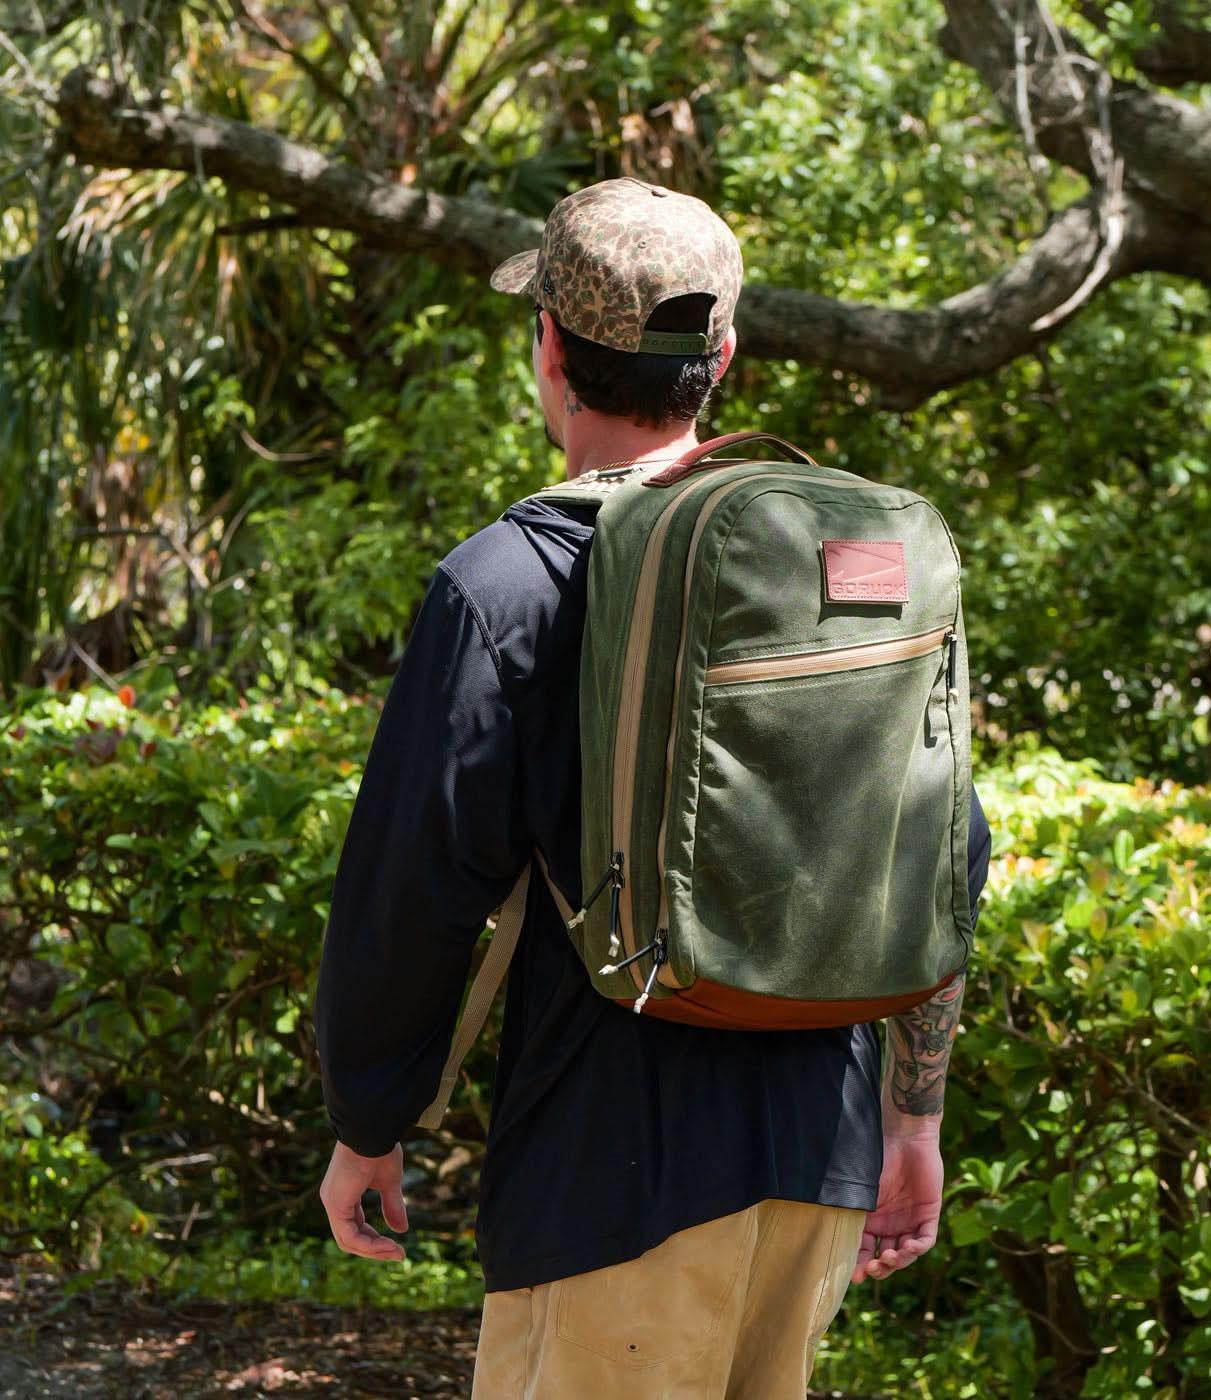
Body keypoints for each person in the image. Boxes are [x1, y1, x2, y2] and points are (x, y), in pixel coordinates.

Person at [314, 176, 992, 1399]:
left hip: (611, 1179)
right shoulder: (838, 559)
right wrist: (911, 1119)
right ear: (720, 356)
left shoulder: (504, 585)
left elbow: (409, 890)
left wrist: (370, 1119)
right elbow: (943, 846)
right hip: (817, 1158)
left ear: (550, 352)